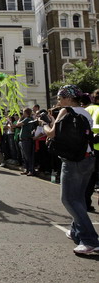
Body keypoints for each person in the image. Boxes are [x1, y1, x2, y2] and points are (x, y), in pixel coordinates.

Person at [42, 85, 99, 254]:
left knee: (68, 199)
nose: (58, 101)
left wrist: (45, 124)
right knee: (78, 198)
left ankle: (90, 240)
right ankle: (76, 232)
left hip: (73, 161)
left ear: (68, 98)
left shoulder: (66, 111)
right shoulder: (85, 111)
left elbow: (52, 134)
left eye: (60, 98)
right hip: (88, 158)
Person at [85, 89, 99, 212]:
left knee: (90, 177)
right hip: (97, 147)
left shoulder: (87, 110)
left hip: (89, 148)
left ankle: (86, 203)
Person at [16, 108, 36, 176]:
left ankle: (31, 170)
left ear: (26, 113)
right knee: (24, 156)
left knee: (28, 156)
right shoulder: (27, 119)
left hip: (26, 140)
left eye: (24, 112)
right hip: (23, 140)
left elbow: (18, 124)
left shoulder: (27, 119)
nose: (23, 114)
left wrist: (20, 118)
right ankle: (27, 169)